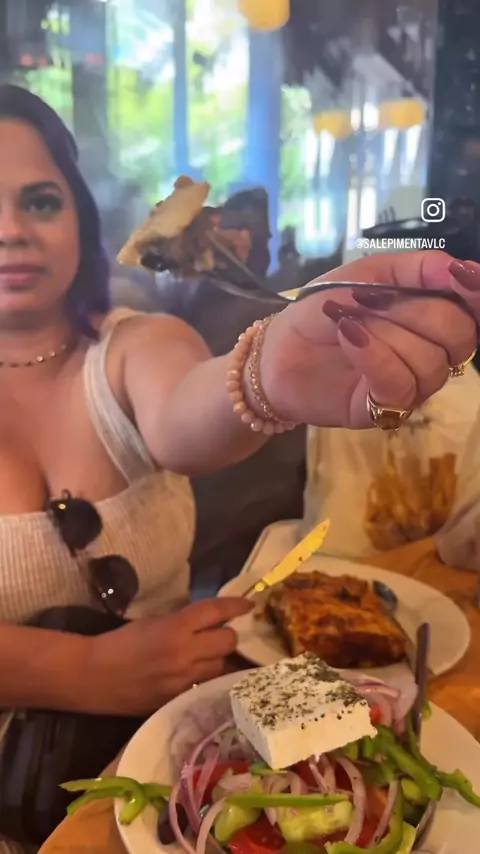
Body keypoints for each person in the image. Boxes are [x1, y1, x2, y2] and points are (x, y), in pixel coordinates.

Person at [0, 83, 479, 831]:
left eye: (39, 201)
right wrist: (87, 671)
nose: (11, 231)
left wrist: (266, 375)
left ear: (80, 217)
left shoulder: (134, 346)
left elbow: (186, 411)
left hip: (172, 768)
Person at [155, 188, 307, 594]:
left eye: (265, 235)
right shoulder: (210, 310)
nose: (261, 245)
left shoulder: (262, 303)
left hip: (254, 507)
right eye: (251, 233)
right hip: (235, 512)